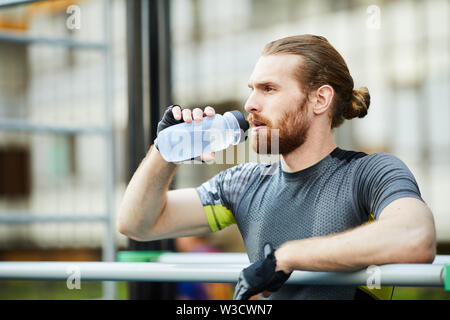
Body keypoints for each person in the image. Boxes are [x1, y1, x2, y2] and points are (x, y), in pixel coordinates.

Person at [117, 34, 436, 300]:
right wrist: (164, 151)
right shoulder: (242, 183)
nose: (250, 104)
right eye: (251, 89)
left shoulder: (369, 172)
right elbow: (139, 223)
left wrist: (287, 258)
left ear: (320, 100)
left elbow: (414, 237)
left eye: (268, 89)